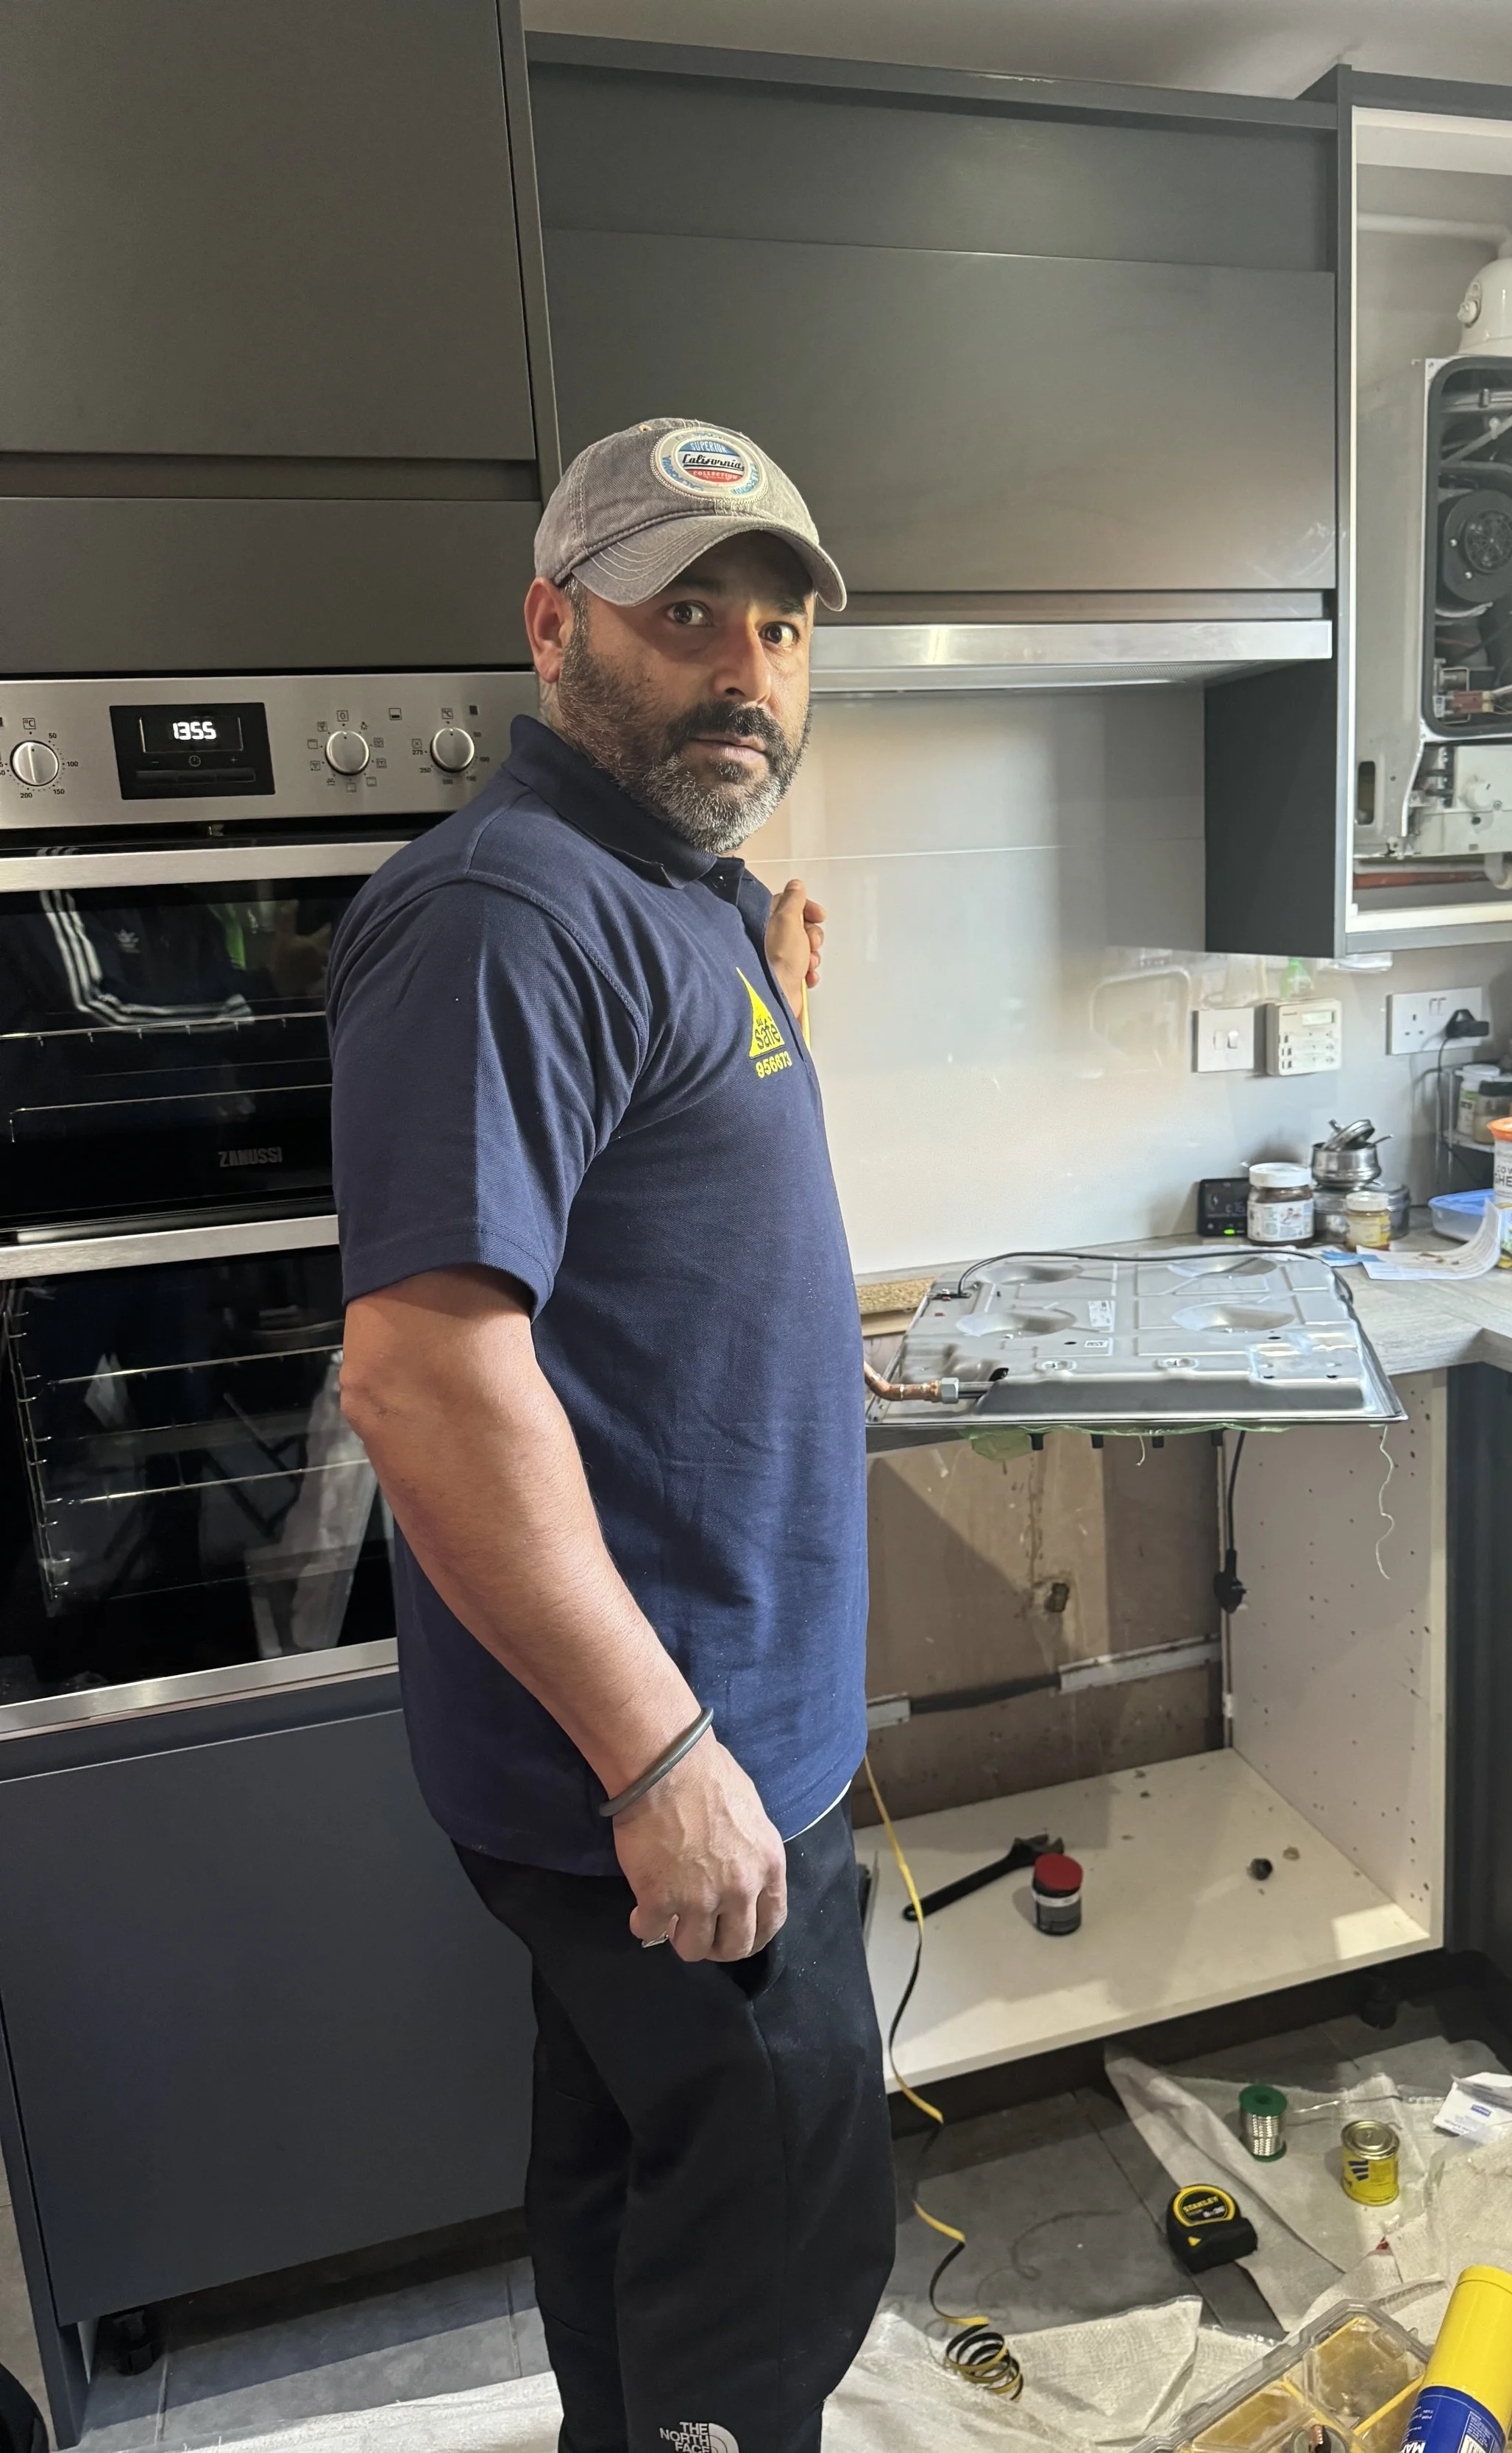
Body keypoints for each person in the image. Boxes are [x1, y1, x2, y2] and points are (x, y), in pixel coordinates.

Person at [327, 419, 894, 2453]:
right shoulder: (506, 907)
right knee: (773, 2244)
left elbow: (639, 1223)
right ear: (554, 625)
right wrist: (664, 1762)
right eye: (685, 615)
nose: (745, 668)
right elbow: (417, 1376)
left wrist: (773, 1016)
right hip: (666, 1756)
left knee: (635, 2191)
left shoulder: (675, 894)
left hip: (711, 1731)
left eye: (778, 625)